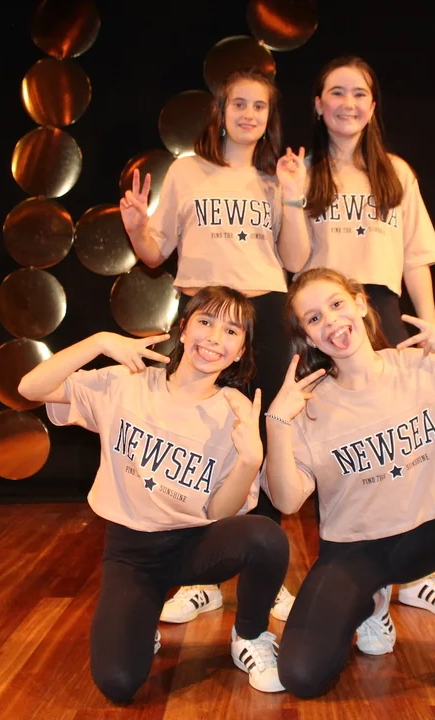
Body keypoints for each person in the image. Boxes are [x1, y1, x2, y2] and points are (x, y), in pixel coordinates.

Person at [263, 268, 435, 701]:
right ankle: (371, 602)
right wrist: (278, 422)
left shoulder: (420, 370)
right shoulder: (309, 404)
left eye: (337, 304)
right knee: (301, 675)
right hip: (354, 553)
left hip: (424, 534)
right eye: (314, 318)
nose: (331, 321)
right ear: (307, 336)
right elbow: (285, 501)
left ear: (360, 303)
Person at [17, 287, 289, 702]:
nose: (215, 337)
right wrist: (99, 342)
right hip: (132, 554)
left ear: (240, 352)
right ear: (184, 329)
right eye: (206, 322)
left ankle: (250, 635)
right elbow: (30, 387)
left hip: (195, 545)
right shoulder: (126, 383)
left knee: (266, 537)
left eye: (232, 331)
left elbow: (220, 510)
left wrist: (250, 460)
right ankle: (141, 620)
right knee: (118, 682)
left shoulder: (235, 413)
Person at [277, 55, 435, 621]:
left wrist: (430, 329)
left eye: (359, 93)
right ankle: (359, 574)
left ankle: (418, 570)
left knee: (410, 438)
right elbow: (293, 262)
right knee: (337, 443)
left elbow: (415, 258)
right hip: (325, 320)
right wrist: (291, 197)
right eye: (337, 93)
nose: (349, 104)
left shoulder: (396, 173)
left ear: (373, 105)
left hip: (378, 307)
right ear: (318, 104)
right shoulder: (303, 173)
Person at [120, 68, 310, 623]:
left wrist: (293, 198)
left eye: (259, 106)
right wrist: (135, 227)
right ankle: (199, 577)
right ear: (221, 111)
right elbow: (154, 254)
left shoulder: (276, 179)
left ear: (270, 118)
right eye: (239, 104)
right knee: (198, 438)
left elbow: (296, 260)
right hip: (205, 317)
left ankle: (264, 572)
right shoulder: (186, 171)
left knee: (266, 436)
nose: (249, 114)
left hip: (264, 315)